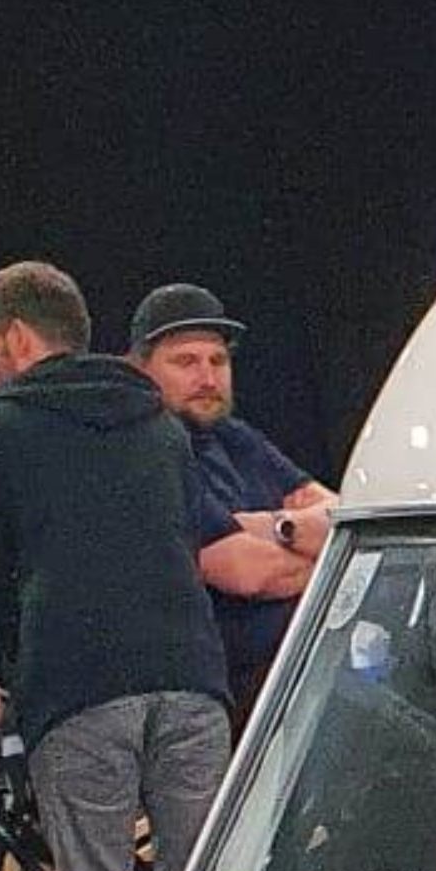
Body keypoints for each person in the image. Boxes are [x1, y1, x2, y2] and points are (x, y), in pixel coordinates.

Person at [0, 262, 229, 871]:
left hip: (77, 687)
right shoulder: (161, 426)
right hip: (191, 681)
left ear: (21, 337)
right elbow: (184, 544)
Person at [130, 283, 335, 726]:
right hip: (218, 695)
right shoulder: (147, 454)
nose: (207, 378)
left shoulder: (235, 437)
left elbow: (343, 516)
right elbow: (249, 574)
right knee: (413, 755)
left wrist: (276, 528)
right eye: (186, 362)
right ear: (142, 370)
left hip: (299, 668)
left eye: (218, 361)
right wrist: (317, 547)